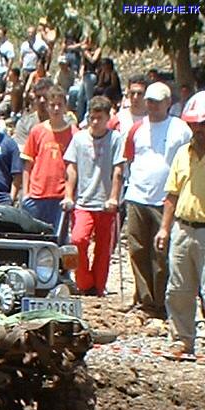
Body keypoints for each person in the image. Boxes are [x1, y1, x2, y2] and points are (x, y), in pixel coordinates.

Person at [123, 82, 192, 319]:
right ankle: (146, 301)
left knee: (161, 253)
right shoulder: (137, 129)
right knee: (137, 249)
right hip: (137, 195)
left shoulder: (180, 129)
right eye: (149, 101)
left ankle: (162, 302)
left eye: (157, 101)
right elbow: (130, 159)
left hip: (165, 197)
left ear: (168, 103)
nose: (151, 105)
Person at [154, 91, 205, 356]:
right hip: (183, 229)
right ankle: (183, 340)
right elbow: (172, 194)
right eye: (194, 125)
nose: (198, 130)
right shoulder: (183, 154)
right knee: (179, 289)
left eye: (203, 124)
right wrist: (164, 227)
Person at [63, 96, 125, 296]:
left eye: (100, 118)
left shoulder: (115, 139)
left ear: (108, 117)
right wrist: (68, 195)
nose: (95, 122)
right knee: (78, 240)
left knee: (104, 248)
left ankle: (98, 286)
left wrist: (114, 197)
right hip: (84, 201)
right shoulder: (79, 138)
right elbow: (71, 168)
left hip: (105, 202)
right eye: (92, 117)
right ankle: (85, 282)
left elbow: (118, 171)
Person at [21, 85, 77, 235]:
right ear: (46, 107)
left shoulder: (74, 133)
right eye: (52, 105)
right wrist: (25, 193)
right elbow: (28, 163)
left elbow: (76, 167)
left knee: (58, 240)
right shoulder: (37, 131)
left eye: (60, 105)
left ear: (66, 106)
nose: (56, 109)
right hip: (37, 194)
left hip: (60, 196)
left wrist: (71, 194)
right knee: (33, 238)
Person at [13, 78, 75, 151]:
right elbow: (23, 152)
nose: (41, 101)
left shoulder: (68, 124)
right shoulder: (24, 124)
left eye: (45, 97)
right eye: (38, 97)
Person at [78, 37, 101, 122]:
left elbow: (93, 60)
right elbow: (83, 63)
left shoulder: (97, 50)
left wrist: (86, 53)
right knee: (80, 96)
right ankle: (79, 118)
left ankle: (87, 118)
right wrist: (81, 71)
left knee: (89, 98)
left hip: (92, 75)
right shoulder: (85, 52)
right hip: (85, 75)